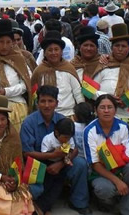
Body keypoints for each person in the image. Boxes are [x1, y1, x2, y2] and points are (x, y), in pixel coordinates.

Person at [20, 85, 90, 215]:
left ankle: (79, 203)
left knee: (80, 164)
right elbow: (26, 153)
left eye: (50, 101)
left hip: (62, 161)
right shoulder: (29, 122)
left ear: (57, 103)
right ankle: (42, 206)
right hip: (38, 163)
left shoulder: (63, 120)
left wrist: (61, 163)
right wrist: (51, 156)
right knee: (36, 189)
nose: (47, 105)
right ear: (37, 103)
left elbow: (74, 149)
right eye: (43, 101)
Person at [83, 94, 129, 215]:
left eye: (110, 107)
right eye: (102, 107)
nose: (106, 111)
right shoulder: (89, 131)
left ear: (115, 110)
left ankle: (128, 210)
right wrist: (117, 182)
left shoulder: (123, 127)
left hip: (120, 168)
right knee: (105, 190)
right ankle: (104, 198)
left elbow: (128, 154)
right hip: (99, 172)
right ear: (96, 110)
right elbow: (95, 164)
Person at [31, 31, 83, 117]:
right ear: (44, 53)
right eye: (50, 50)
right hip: (45, 116)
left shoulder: (69, 68)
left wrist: (81, 109)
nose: (53, 53)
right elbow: (34, 95)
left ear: (61, 52)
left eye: (56, 49)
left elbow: (77, 92)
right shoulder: (39, 71)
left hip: (68, 114)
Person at [37, 117, 76, 213]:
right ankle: (41, 207)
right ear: (57, 133)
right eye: (65, 137)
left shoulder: (69, 139)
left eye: (69, 137)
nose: (67, 140)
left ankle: (45, 207)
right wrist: (54, 153)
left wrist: (67, 155)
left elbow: (73, 149)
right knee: (46, 186)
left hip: (62, 163)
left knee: (57, 188)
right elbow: (43, 154)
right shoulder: (48, 139)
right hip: (48, 164)